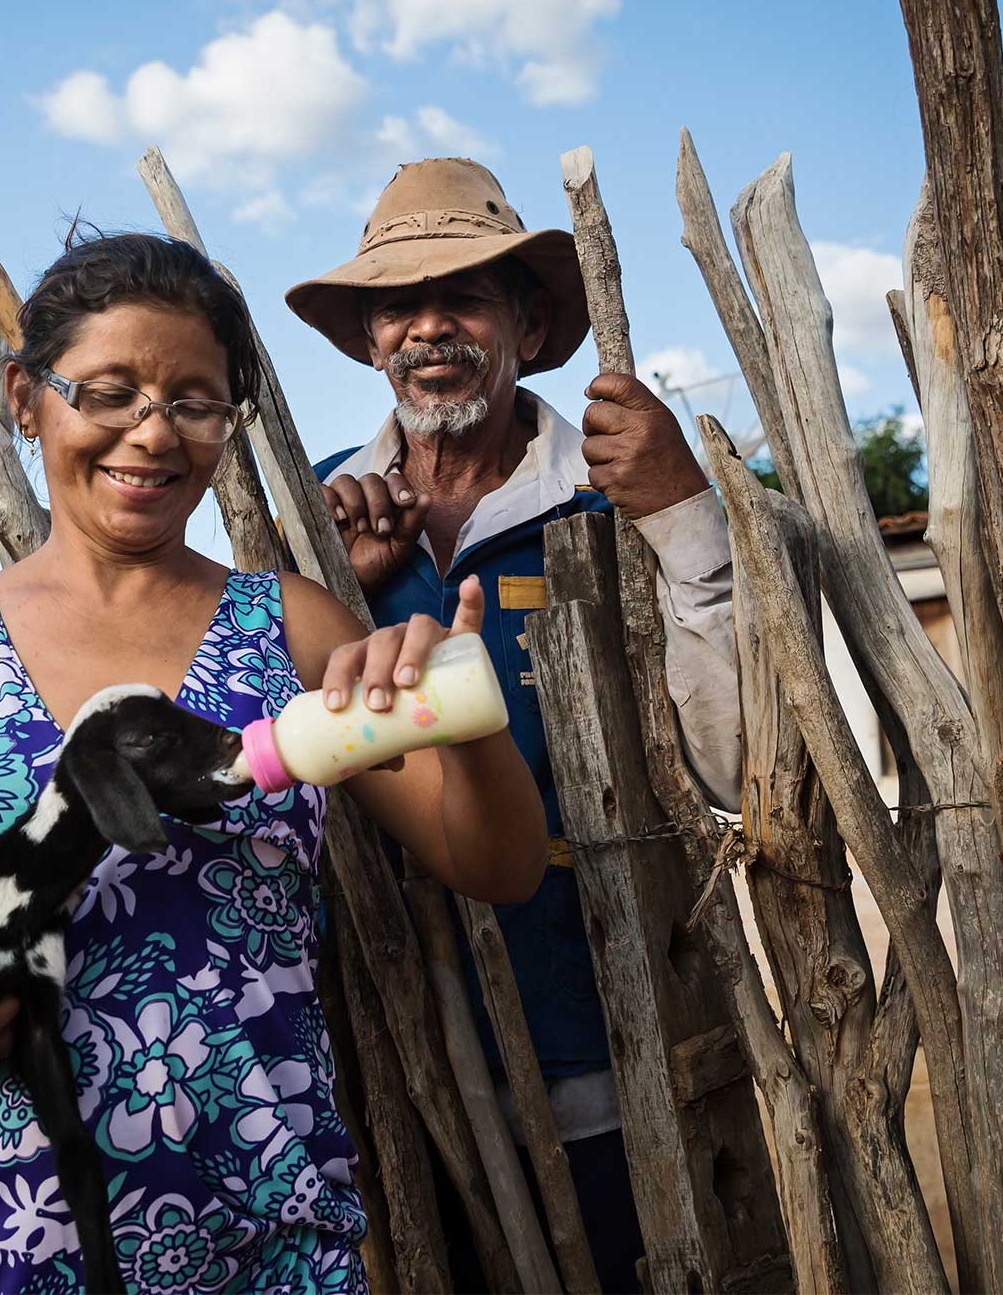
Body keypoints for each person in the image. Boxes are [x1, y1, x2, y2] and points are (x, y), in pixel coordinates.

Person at [0, 229, 549, 1294]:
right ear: (26, 399)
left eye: (194, 402)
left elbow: (497, 866)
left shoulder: (286, 629)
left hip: (264, 1233)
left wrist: (457, 720)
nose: (152, 436)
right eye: (108, 393)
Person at [287, 157, 744, 1291]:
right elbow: (270, 762)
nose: (428, 327)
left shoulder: (618, 492)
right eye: (397, 304)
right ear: (366, 339)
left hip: (608, 1034)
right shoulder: (311, 508)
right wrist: (335, 588)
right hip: (384, 1057)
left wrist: (685, 519)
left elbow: (738, 764)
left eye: (466, 297)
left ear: (528, 324)